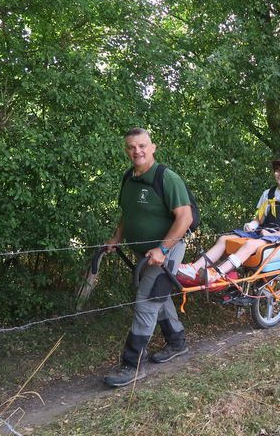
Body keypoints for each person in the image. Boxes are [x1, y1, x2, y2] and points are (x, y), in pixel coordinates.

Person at [103, 128, 193, 388]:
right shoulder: (128, 178)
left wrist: (163, 249)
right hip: (145, 254)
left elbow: (184, 218)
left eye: (142, 146)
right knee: (158, 297)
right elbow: (127, 214)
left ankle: (132, 363)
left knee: (147, 299)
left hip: (168, 251)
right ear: (126, 150)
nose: (137, 151)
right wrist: (116, 239)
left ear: (153, 147)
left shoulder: (167, 178)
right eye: (131, 147)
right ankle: (177, 342)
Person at [175, 158, 280, 284]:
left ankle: (216, 273)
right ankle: (194, 269)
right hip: (262, 233)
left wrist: (272, 235)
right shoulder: (268, 193)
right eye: (277, 170)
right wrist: (252, 224)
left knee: (250, 245)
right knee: (223, 239)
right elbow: (258, 219)